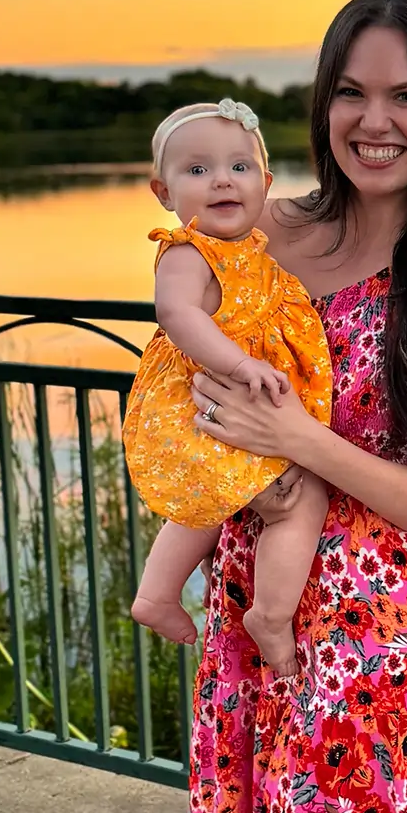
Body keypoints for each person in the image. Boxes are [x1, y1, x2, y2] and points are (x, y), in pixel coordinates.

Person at [184, 0, 407, 813]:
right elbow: (173, 366)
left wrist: (299, 439)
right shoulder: (254, 235)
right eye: (351, 92)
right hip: (256, 616)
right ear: (322, 102)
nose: (376, 121)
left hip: (382, 646)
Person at [124, 98, 332, 676]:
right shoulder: (187, 251)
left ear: (265, 184)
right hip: (210, 395)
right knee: (300, 499)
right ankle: (270, 614)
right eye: (197, 171)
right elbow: (177, 316)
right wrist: (242, 365)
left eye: (239, 168)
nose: (221, 180)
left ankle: (158, 593)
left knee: (209, 502)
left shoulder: (251, 251)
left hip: (228, 404)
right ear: (163, 192)